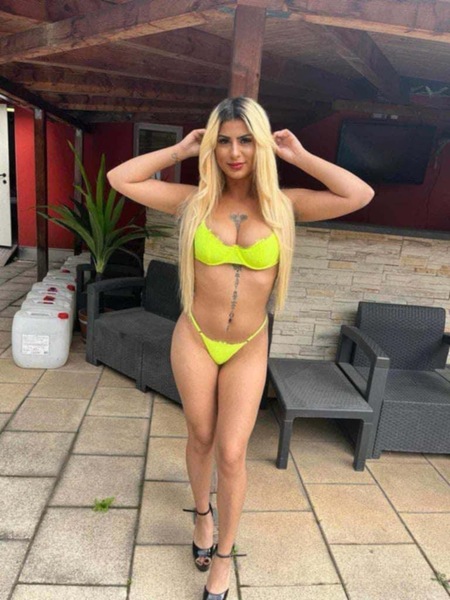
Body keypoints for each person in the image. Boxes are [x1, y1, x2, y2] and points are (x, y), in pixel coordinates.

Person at [107, 96, 374, 600]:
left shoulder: (284, 206)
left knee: (232, 453)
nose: (235, 152)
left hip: (248, 344)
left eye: (246, 140)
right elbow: (121, 178)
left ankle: (224, 557)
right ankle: (201, 516)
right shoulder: (195, 202)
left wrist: (299, 156)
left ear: (261, 145)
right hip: (195, 337)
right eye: (224, 140)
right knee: (201, 436)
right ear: (213, 145)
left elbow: (359, 193)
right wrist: (181, 149)